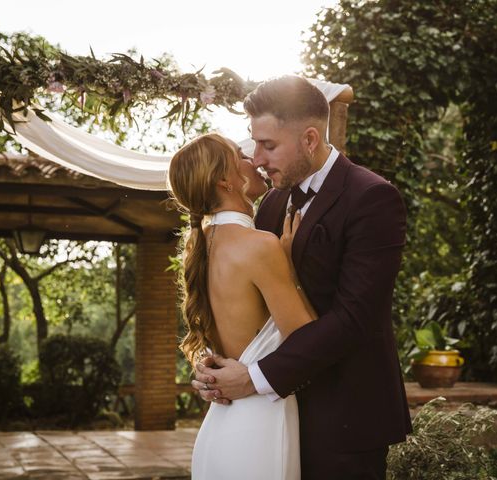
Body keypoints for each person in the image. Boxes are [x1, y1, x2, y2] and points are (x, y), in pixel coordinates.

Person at [193, 75, 413, 479]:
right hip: (274, 418)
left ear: (310, 139)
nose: (256, 158)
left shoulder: (373, 199)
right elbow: (257, 305)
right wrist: (217, 368)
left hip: (345, 419)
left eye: (269, 145)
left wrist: (254, 378)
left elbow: (354, 320)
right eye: (254, 142)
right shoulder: (273, 203)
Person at [167, 133, 316, 479]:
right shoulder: (260, 246)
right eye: (241, 156)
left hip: (221, 427)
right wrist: (290, 266)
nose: (254, 161)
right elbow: (306, 336)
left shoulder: (201, 249)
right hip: (260, 425)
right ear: (225, 180)